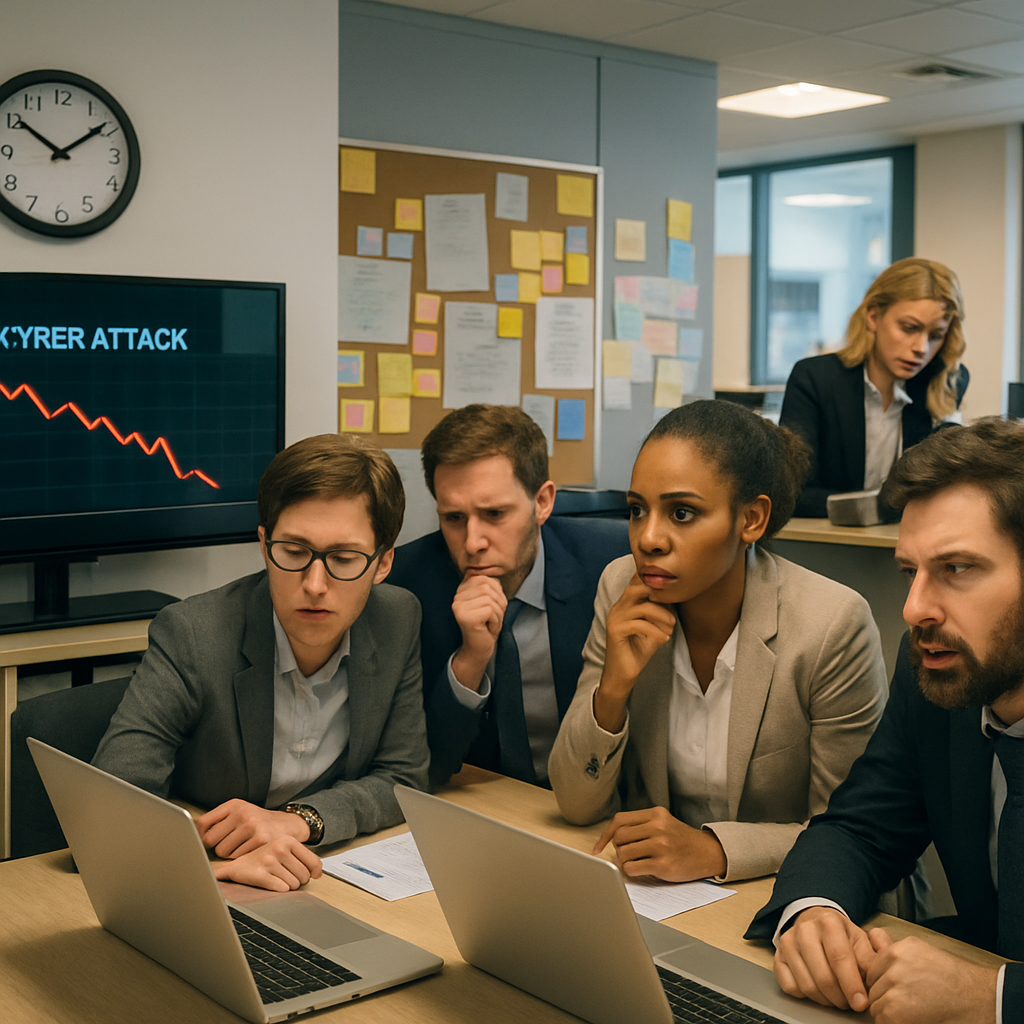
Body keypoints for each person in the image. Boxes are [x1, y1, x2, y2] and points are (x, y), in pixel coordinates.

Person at [746, 418, 1024, 1024]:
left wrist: (992, 999)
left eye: (957, 569)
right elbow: (861, 827)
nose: (914, 609)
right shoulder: (940, 669)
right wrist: (815, 911)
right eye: (910, 571)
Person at [548, 400, 888, 883]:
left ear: (751, 519)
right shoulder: (621, 587)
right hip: (663, 898)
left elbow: (854, 833)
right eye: (637, 510)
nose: (648, 538)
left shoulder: (831, 624)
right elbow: (575, 803)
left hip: (797, 899)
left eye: (682, 513)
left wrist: (715, 850)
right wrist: (613, 690)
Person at [93, 434, 429, 892]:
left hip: (321, 877)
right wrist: (214, 872)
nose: (314, 584)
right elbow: (109, 812)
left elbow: (403, 778)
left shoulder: (397, 618)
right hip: (198, 885)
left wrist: (298, 821)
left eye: (344, 559)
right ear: (263, 544)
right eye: (293, 552)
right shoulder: (193, 633)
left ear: (384, 562)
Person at [388, 404, 629, 788]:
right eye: (453, 518)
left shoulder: (614, 566)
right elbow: (418, 767)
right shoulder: (406, 586)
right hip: (485, 809)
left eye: (495, 514)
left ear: (543, 502)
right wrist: (470, 660)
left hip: (599, 806)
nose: (472, 542)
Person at [780, 257, 969, 518]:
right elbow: (793, 492)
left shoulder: (946, 382)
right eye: (909, 328)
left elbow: (940, 493)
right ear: (873, 316)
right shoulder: (814, 378)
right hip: (827, 542)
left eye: (935, 335)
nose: (921, 348)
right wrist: (879, 507)